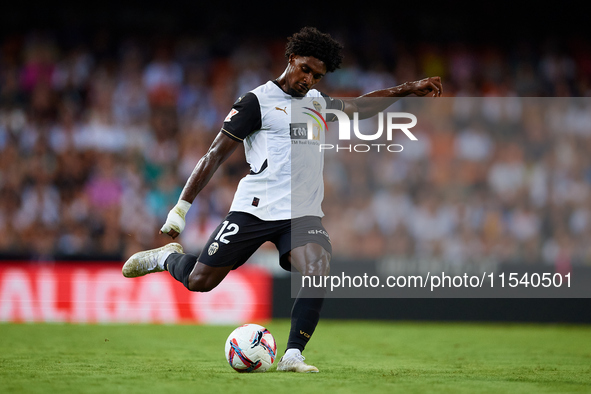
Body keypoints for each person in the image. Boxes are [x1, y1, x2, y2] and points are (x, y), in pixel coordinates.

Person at [122, 26, 442, 372]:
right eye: (305, 69)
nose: (309, 80)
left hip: (301, 215)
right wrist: (181, 209)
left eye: (317, 76)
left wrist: (407, 89)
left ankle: (293, 354)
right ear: (291, 59)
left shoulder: (317, 103)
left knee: (319, 268)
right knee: (200, 282)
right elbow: (213, 155)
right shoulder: (256, 101)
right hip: (254, 210)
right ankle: (168, 258)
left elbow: (359, 107)